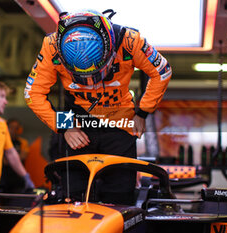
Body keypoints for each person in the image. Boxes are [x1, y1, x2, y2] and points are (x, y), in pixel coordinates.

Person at [24, 9, 172, 205]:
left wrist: (143, 112)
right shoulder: (51, 46)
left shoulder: (129, 41)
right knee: (74, 197)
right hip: (76, 122)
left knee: (119, 197)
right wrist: (64, 127)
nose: (89, 81)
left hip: (120, 122)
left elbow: (162, 71)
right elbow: (32, 92)